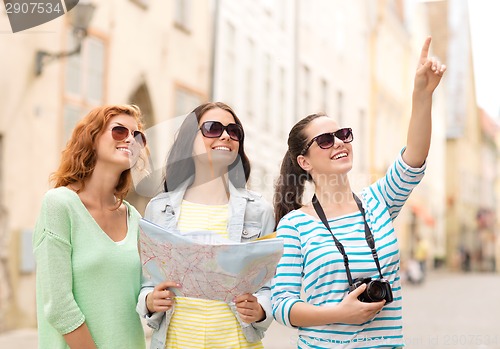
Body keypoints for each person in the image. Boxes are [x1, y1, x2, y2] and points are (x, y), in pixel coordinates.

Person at [271, 37, 446, 348]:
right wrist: (339, 312)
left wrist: (422, 95)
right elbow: (282, 305)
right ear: (304, 161)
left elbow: (414, 158)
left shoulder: (379, 203)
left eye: (343, 134)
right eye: (325, 140)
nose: (339, 142)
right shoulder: (294, 226)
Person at [137, 102, 275, 349]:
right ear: (190, 140)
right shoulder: (159, 209)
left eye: (234, 131)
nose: (225, 135)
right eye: (213, 128)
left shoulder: (259, 210)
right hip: (176, 342)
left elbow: (269, 287)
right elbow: (148, 282)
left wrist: (260, 310)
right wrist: (150, 300)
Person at [33, 105, 148, 349]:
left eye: (137, 136)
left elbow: (141, 295)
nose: (130, 139)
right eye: (119, 131)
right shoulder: (59, 205)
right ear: (92, 138)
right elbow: (58, 306)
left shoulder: (135, 218)